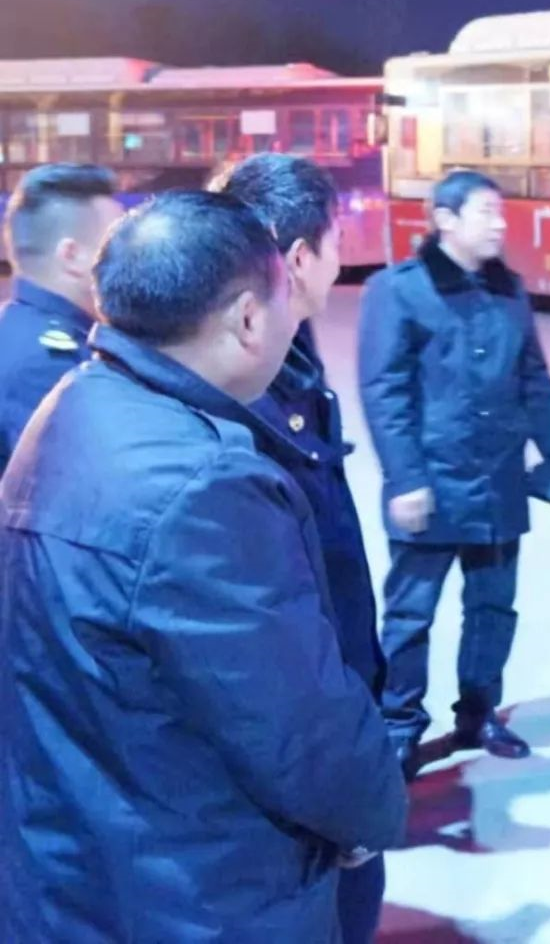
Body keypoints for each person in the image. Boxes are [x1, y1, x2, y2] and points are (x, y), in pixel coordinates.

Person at [0, 192, 407, 943]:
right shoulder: (204, 483)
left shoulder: (77, 402)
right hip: (195, 892)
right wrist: (371, 810)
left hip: (77, 864)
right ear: (249, 319)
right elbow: (299, 728)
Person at [211, 153, 390, 943]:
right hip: (297, 780)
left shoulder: (286, 363)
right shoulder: (243, 403)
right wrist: (345, 789)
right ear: (297, 258)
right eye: (336, 240)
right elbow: (275, 637)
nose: (342, 259)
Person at [359, 169, 550, 779]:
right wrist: (405, 478)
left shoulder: (509, 290)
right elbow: (384, 392)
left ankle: (478, 715)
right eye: (485, 212)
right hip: (431, 483)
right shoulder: (398, 290)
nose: (499, 224)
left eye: (500, 213)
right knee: (411, 616)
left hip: (498, 480)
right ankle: (399, 727)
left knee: (493, 608)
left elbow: (535, 382)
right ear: (445, 220)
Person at [0, 163, 123, 474]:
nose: (132, 260)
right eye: (119, 246)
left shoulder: (17, 329)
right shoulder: (48, 365)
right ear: (72, 256)